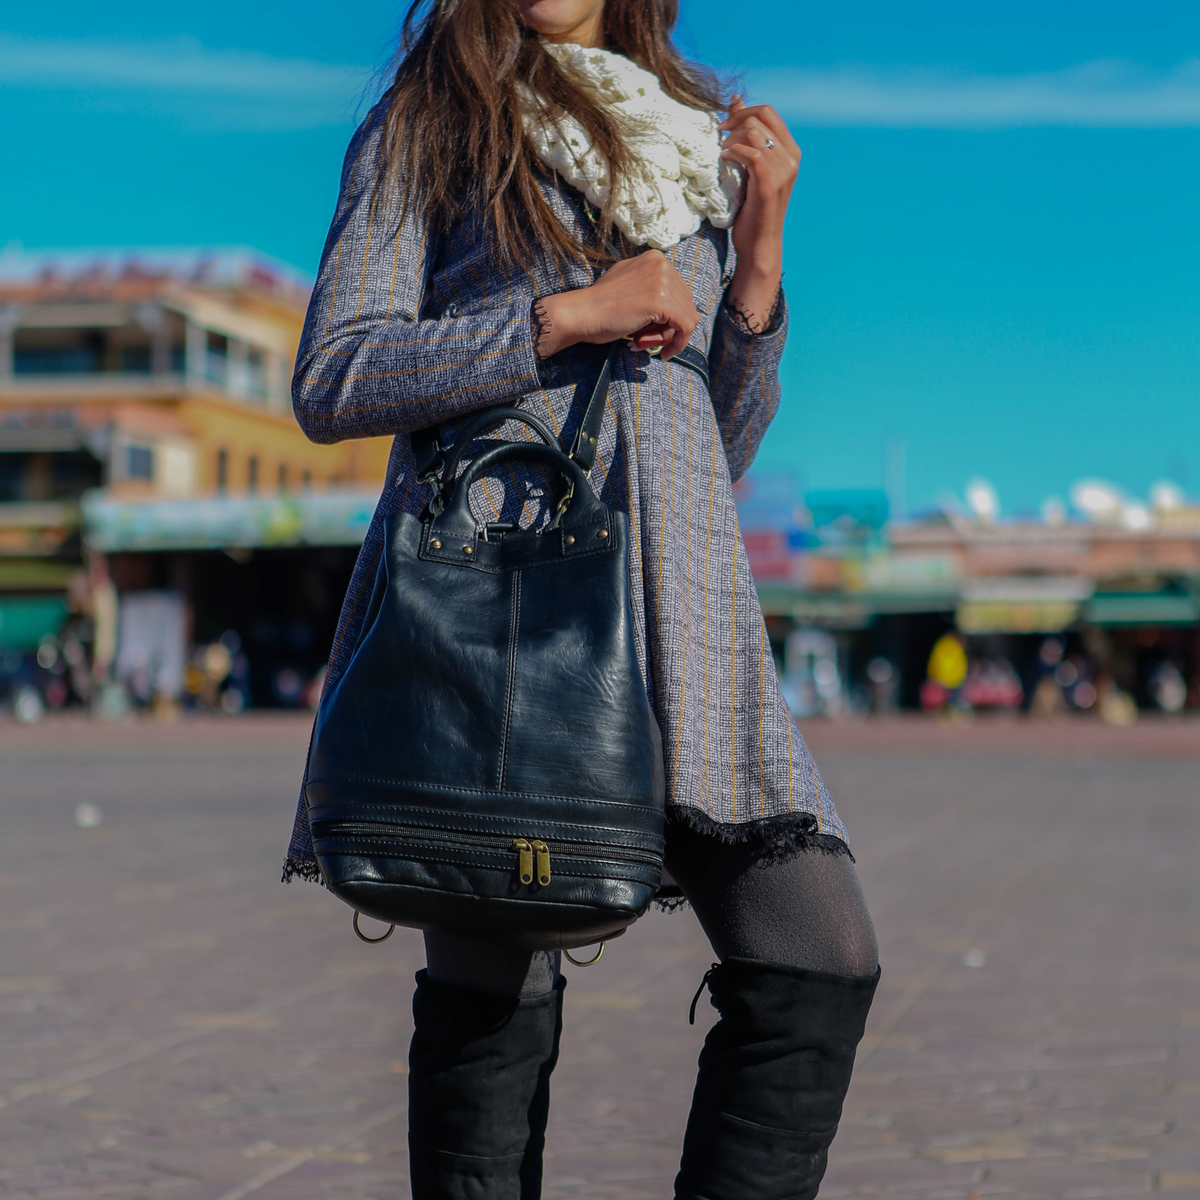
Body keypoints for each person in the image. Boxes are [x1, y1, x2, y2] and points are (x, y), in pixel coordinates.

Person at [283, 2, 879, 1196]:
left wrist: (756, 262)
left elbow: (714, 441)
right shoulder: (430, 117)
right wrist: (564, 318)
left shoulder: (693, 140)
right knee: (494, 995)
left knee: (821, 957)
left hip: (691, 622)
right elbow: (334, 373)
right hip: (510, 612)